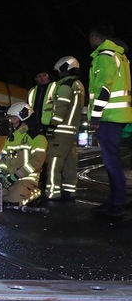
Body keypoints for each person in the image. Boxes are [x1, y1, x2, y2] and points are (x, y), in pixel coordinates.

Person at [87, 22, 132, 217]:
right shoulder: (120, 57)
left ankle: (117, 202)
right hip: (117, 115)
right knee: (111, 159)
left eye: (91, 37)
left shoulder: (104, 57)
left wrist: (95, 116)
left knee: (111, 161)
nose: (90, 41)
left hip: (108, 116)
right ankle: (114, 199)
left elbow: (104, 89)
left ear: (97, 37)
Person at [44, 56, 85, 201]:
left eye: (59, 71)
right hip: (72, 131)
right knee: (70, 163)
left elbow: (61, 107)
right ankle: (69, 191)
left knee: (54, 162)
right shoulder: (78, 84)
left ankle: (53, 193)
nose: (59, 74)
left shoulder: (66, 85)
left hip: (61, 131)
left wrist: (52, 126)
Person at [0, 102, 47, 206]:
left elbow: (36, 162)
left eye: (14, 118)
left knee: (14, 202)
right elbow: (2, 159)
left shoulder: (37, 137)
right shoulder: (11, 138)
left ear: (23, 117)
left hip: (28, 179)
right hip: (10, 180)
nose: (12, 121)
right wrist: (0, 173)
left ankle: (37, 192)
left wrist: (16, 176)